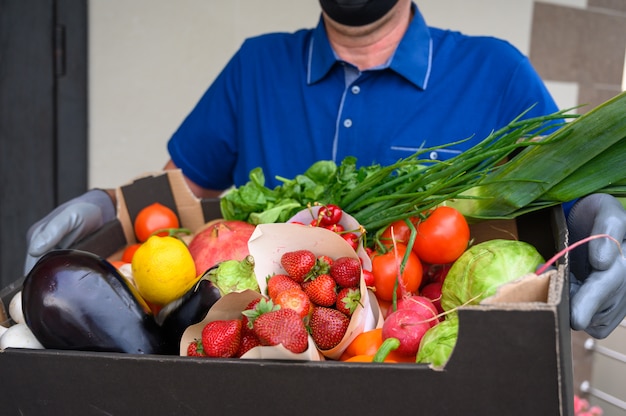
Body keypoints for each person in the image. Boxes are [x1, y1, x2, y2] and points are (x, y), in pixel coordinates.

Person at [24, 0, 626, 338]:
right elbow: (174, 208)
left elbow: (563, 205)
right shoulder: (255, 65)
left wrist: (597, 220)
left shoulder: (495, 70)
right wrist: (112, 208)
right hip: (263, 370)